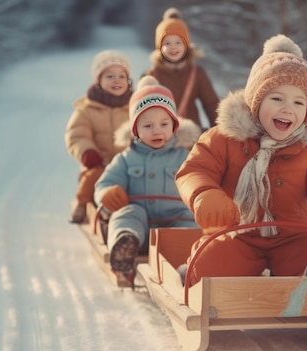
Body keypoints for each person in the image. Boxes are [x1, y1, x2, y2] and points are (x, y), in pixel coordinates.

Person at [175, 34, 307, 288]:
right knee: (211, 265)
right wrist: (204, 194)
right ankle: (193, 275)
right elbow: (195, 169)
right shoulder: (224, 138)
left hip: (294, 236)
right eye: (277, 99)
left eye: (298, 102)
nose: (288, 109)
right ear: (255, 101)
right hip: (237, 233)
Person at [94, 75, 201, 284]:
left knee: (191, 222)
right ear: (135, 130)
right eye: (148, 125)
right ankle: (124, 245)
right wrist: (107, 194)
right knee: (126, 214)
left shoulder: (184, 157)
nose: (157, 130)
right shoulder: (126, 158)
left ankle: (189, 261)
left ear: (174, 126)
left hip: (174, 222)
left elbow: (198, 180)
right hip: (140, 226)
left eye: (164, 123)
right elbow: (104, 183)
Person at [65, 50, 133, 224]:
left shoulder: (134, 107)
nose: (116, 80)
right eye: (110, 76)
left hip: (129, 164)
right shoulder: (87, 109)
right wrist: (87, 152)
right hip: (99, 162)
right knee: (95, 175)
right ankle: (81, 204)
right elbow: (77, 134)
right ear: (99, 81)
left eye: (121, 76)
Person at [144, 7, 220, 130]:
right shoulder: (152, 76)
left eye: (178, 42)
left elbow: (211, 104)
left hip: (192, 136)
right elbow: (142, 110)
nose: (173, 47)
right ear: (159, 47)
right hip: (162, 139)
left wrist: (219, 131)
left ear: (186, 45)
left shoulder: (197, 73)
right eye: (167, 43)